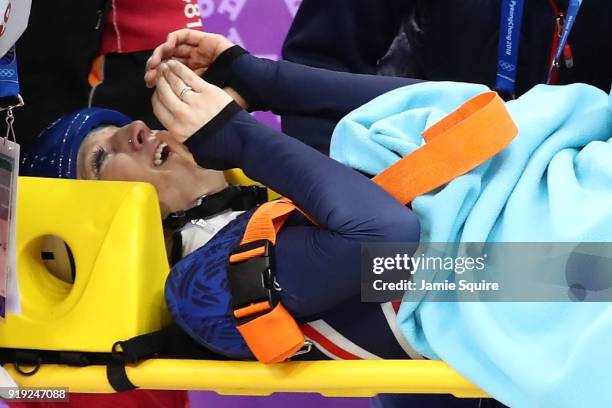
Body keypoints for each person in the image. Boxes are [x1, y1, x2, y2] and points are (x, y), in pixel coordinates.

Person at [24, 29, 612, 407]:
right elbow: (391, 249)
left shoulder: (263, 194)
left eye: (120, 128)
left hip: (565, 184)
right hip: (552, 278)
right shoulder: (200, 292)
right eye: (101, 157)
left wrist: (257, 76)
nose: (134, 129)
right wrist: (240, 137)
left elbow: (442, 112)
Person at [280, 0, 612, 154]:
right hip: (401, 206)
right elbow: (316, 67)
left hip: (557, 218)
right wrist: (349, 201)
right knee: (381, 282)